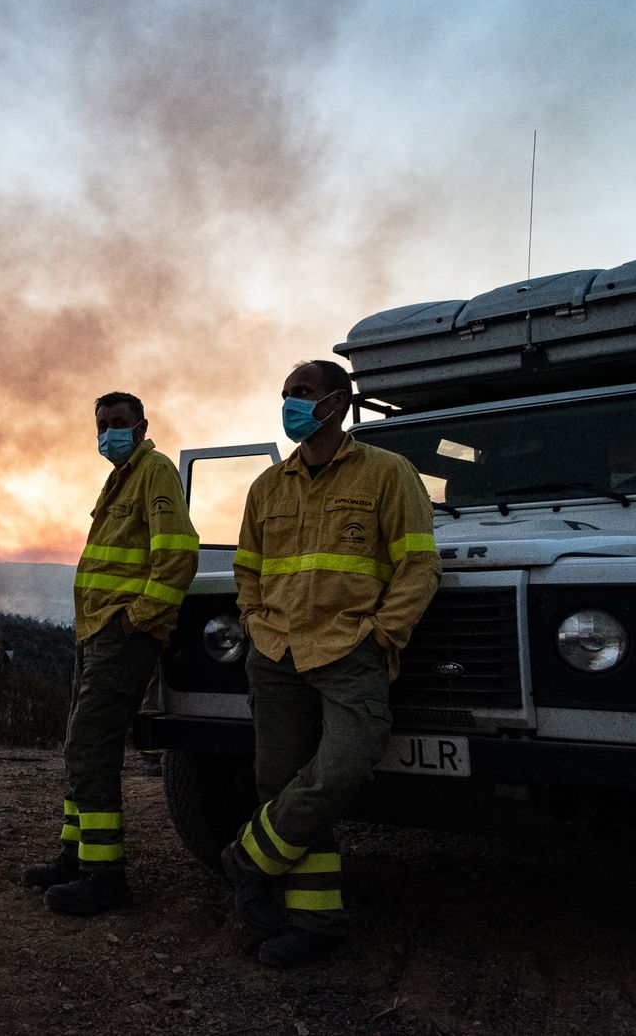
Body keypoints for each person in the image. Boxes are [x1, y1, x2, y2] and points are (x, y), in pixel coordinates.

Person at [224, 360, 441, 967]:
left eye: (304, 393)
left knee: (343, 768)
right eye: (286, 393)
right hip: (275, 651)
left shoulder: (388, 473)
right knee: (283, 783)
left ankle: (245, 860)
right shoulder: (267, 486)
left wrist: (381, 635)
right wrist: (252, 620)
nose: (291, 403)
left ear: (338, 404)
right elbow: (247, 568)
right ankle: (314, 920)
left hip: (349, 650)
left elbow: (420, 565)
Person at [23, 391, 200, 914]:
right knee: (81, 743)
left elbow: (178, 554)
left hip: (120, 634)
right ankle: (76, 856)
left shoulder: (155, 472)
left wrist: (138, 619)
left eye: (118, 423)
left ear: (142, 427)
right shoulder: (119, 478)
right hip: (96, 631)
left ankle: (105, 876)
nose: (107, 433)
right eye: (101, 424)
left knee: (93, 744)